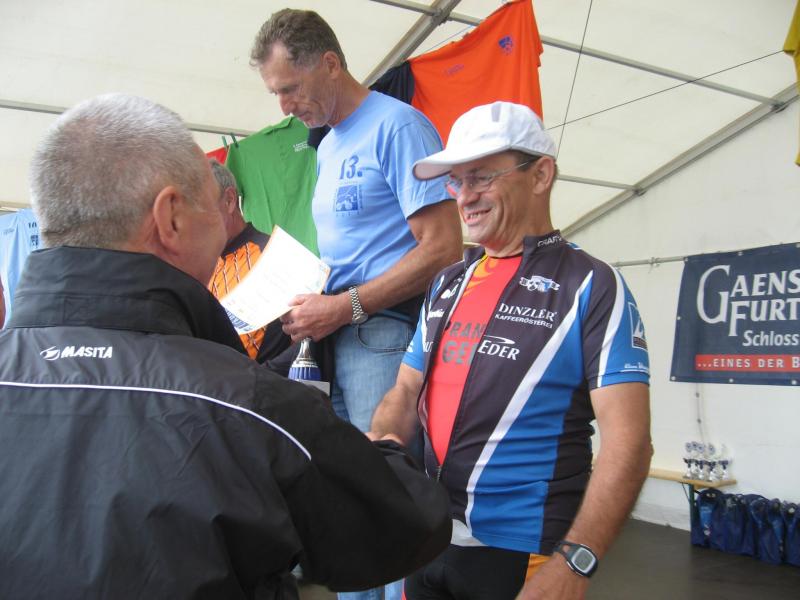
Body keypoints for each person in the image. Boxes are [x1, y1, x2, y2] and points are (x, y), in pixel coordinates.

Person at [0, 93, 451, 599]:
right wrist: (387, 445)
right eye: (211, 205)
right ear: (171, 218)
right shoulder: (246, 404)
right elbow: (404, 525)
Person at [369, 101, 652, 600]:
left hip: (525, 552)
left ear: (540, 175)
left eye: (481, 177)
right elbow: (405, 389)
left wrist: (576, 563)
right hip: (431, 537)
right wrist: (386, 440)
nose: (464, 197)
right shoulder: (448, 282)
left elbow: (629, 443)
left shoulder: (592, 285)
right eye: (455, 181)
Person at [207, 158, 294, 372]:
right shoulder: (198, 267)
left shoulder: (276, 255)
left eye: (200, 208)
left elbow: (307, 340)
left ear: (229, 201)